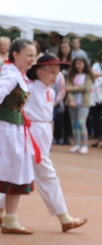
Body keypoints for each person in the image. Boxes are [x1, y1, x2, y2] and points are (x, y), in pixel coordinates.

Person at [0, 54, 86, 233]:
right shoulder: (28, 87)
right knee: (45, 174)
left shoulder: (51, 91)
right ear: (39, 72)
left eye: (57, 73)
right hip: (31, 134)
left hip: (44, 132)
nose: (55, 76)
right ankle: (64, 216)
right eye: (51, 72)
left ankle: (5, 213)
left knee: (16, 175)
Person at [0, 38, 37, 234]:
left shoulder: (18, 74)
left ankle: (10, 220)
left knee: (14, 173)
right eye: (29, 55)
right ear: (16, 55)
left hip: (15, 130)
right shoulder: (11, 75)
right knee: (7, 171)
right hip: (5, 130)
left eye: (34, 55)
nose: (33, 59)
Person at [65, 56, 94, 154]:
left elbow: (85, 88)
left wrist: (71, 89)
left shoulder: (88, 76)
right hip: (72, 103)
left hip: (84, 103)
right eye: (77, 64)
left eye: (80, 63)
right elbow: (67, 88)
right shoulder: (70, 76)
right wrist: (71, 100)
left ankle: (84, 145)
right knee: (74, 124)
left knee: (81, 123)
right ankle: (76, 144)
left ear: (85, 64)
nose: (78, 66)